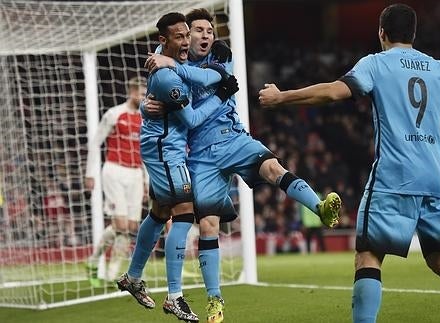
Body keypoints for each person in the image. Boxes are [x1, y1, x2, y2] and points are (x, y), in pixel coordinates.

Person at [258, 4, 440, 323]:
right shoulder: (439, 68)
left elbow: (332, 92)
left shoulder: (376, 64)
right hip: (435, 177)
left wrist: (283, 97)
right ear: (414, 34)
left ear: (381, 32)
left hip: (394, 177)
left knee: (368, 256)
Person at [143, 8, 342, 323]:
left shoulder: (221, 56)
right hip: (200, 155)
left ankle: (320, 208)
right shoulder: (170, 63)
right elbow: (159, 82)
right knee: (208, 226)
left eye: (210, 30)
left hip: (233, 138)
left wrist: (173, 67)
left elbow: (215, 77)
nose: (206, 35)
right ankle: (214, 300)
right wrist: (147, 100)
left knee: (273, 168)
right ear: (184, 36)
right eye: (198, 30)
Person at [115, 12, 238, 323]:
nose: (186, 42)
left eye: (188, 35)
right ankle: (174, 296)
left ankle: (132, 277)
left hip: (164, 147)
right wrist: (223, 90)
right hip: (165, 152)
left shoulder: (164, 61)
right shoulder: (170, 79)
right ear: (163, 41)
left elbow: (188, 72)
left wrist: (146, 102)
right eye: (180, 37)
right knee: (184, 213)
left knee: (158, 213)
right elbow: (194, 119)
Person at [85, 75, 147, 287]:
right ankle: (94, 261)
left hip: (136, 173)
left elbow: (145, 151)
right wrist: (90, 174)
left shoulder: (145, 118)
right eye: (141, 93)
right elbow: (95, 143)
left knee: (130, 227)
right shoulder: (114, 114)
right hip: (114, 171)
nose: (144, 97)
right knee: (119, 225)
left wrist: (147, 179)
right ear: (131, 93)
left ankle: (113, 275)